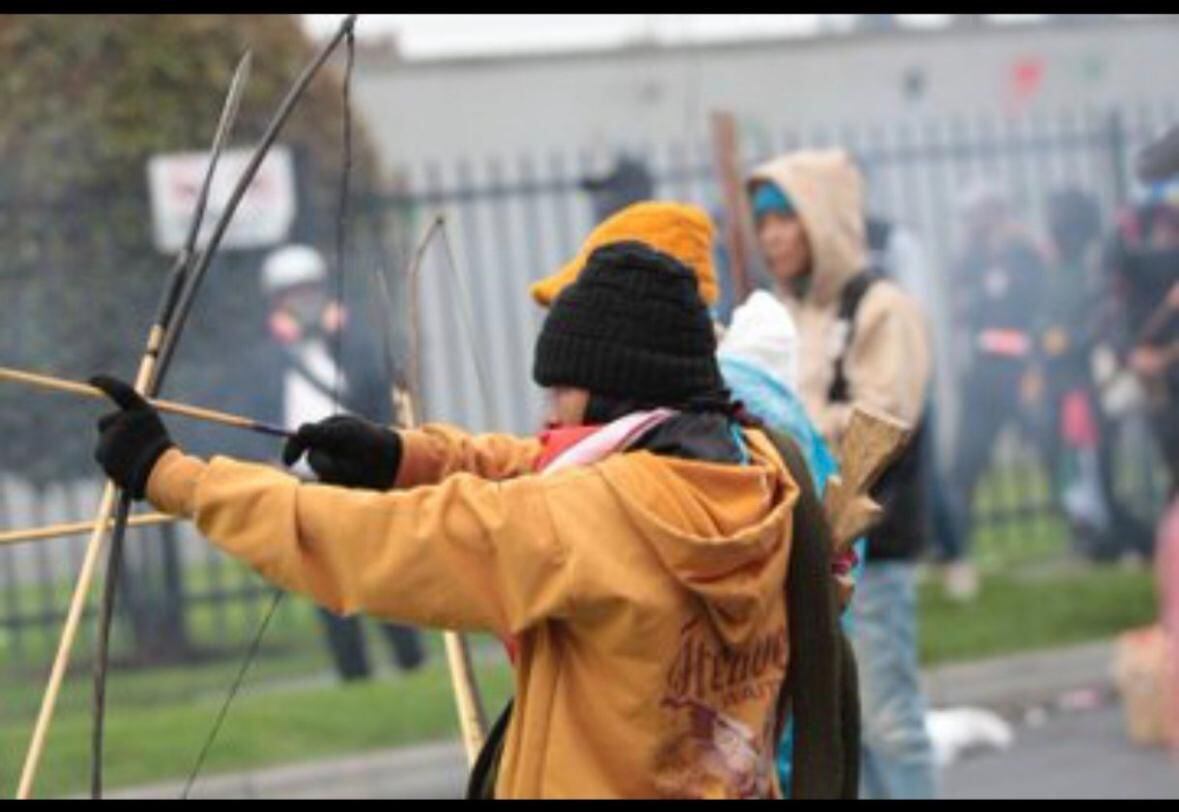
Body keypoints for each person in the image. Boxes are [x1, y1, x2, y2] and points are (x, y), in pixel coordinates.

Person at [90, 237, 815, 798]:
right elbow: (533, 466)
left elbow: (378, 544)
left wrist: (176, 478)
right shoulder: (751, 470)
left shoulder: (590, 517)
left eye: (559, 391)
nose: (545, 412)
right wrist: (401, 459)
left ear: (609, 394)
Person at [746, 148, 936, 799]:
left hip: (870, 549)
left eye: (783, 218)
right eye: (761, 222)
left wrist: (787, 426)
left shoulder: (881, 309)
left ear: (821, 218)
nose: (770, 235)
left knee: (888, 725)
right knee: (831, 732)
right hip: (807, 555)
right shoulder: (780, 313)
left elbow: (879, 429)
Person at [258, 243, 425, 680]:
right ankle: (352, 670)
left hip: (359, 471)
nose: (303, 301)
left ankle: (410, 659)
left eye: (309, 290)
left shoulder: (356, 340)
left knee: (383, 569)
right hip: (302, 480)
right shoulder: (267, 355)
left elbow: (379, 391)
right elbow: (256, 408)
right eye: (292, 293)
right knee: (325, 578)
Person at [865, 207, 975, 600]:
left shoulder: (893, 239)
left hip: (904, 372)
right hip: (862, 376)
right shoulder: (835, 245)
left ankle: (954, 555)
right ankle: (898, 561)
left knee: (923, 471)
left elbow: (917, 307)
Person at [945, 182, 1051, 559]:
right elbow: (962, 317)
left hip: (1022, 373)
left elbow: (1039, 306)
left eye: (983, 214)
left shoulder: (1025, 253)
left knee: (1052, 448)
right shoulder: (967, 262)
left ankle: (1089, 532)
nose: (976, 224)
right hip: (982, 378)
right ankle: (957, 546)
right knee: (966, 462)